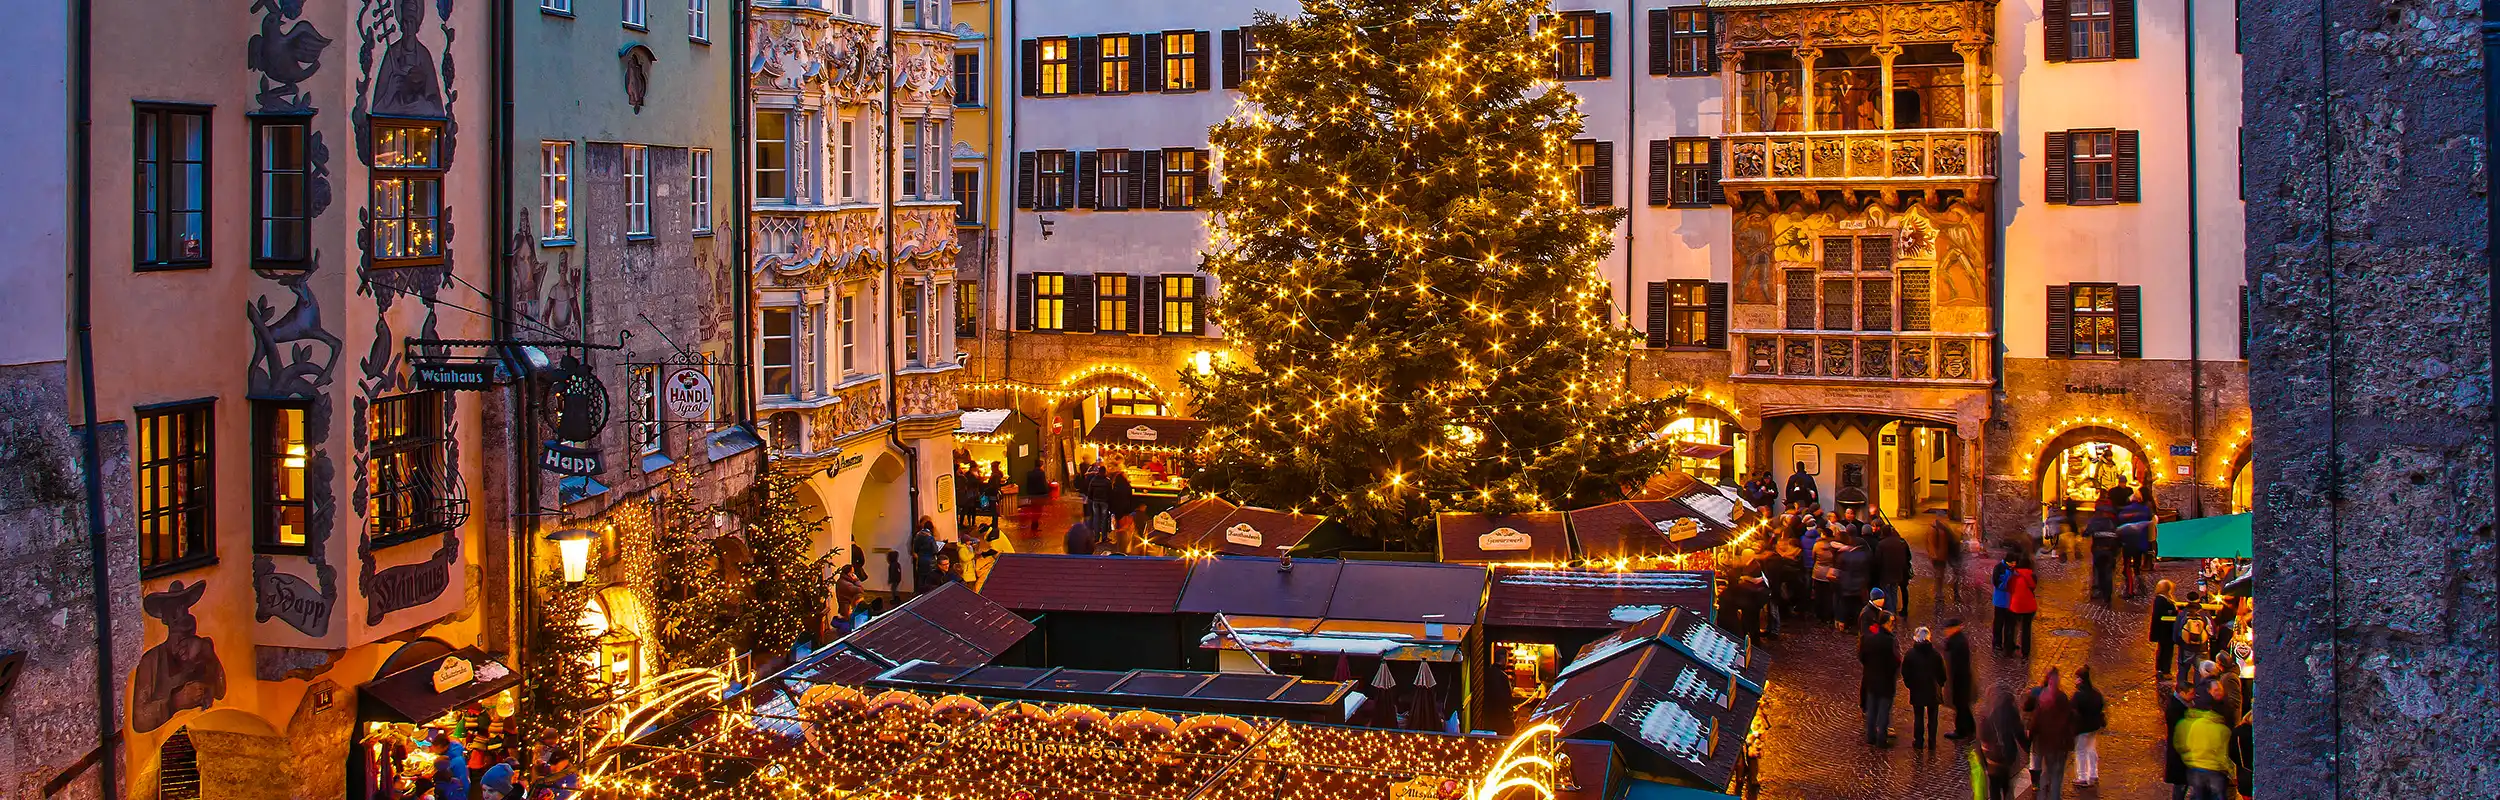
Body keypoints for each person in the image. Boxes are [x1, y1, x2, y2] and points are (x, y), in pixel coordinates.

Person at [2023, 668, 2075, 800]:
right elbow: (2070, 719)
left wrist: (2029, 738)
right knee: (2055, 776)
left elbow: (2034, 721)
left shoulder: (2041, 697)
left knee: (2046, 774)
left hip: (2045, 744)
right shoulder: (2062, 697)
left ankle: (2043, 795)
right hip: (2059, 745)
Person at [2176, 693, 2237, 800]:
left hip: (2196, 768)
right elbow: (2224, 755)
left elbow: (2187, 745)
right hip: (2215, 771)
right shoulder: (2223, 730)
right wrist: (2232, 773)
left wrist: (2189, 760)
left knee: (2199, 796)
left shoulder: (2196, 724)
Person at [1899, 626, 1947, 749]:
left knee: (1918, 716)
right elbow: (1942, 674)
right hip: (1933, 690)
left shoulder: (1910, 654)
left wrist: (1910, 685)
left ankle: (1918, 741)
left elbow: (1905, 672)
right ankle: (1932, 741)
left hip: (1917, 689)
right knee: (1933, 718)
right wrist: (1940, 685)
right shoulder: (1935, 655)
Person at [1857, 614, 1899, 747]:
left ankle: (1870, 737)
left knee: (1872, 709)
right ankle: (1881, 739)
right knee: (1883, 711)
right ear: (1886, 623)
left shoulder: (1868, 638)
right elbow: (1895, 661)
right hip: (1886, 681)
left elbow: (1862, 656)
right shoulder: (1889, 641)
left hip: (1871, 678)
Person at [1977, 690, 2026, 800]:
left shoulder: (1986, 713)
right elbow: (2019, 732)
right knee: (2007, 786)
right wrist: (2027, 747)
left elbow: (1981, 737)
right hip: (2007, 756)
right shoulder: (2011, 711)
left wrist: (1983, 758)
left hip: (1992, 758)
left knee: (1994, 787)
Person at [2071, 666, 2107, 789]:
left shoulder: (2078, 695)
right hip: (2094, 727)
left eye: (2076, 678)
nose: (2075, 680)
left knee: (2081, 751)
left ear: (2080, 680)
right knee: (2091, 748)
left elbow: (2072, 712)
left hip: (2082, 729)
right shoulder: (2096, 694)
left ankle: (2083, 777)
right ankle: (2093, 773)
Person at [1942, 618, 1976, 739]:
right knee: (1963, 705)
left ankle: (1961, 730)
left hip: (1960, 679)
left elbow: (1957, 664)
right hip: (1962, 678)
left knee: (1960, 705)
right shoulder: (1957, 640)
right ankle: (1970, 728)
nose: (1946, 632)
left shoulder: (1958, 643)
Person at [1837, 535, 1874, 632]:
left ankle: (1844, 623)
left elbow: (1840, 567)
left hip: (1846, 583)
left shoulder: (1845, 555)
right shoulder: (1866, 555)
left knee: (1845, 604)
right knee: (1858, 605)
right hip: (1860, 585)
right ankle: (1857, 625)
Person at [1875, 524, 1913, 618]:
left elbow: (1878, 560)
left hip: (1886, 574)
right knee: (1894, 593)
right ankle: (1894, 611)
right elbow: (1908, 556)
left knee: (1887, 594)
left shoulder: (1881, 544)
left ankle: (1890, 613)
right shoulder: (1900, 542)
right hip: (1897, 573)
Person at [2006, 555, 2038, 658]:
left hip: (2015, 605)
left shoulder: (2013, 574)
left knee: (2012, 627)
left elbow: (2009, 587)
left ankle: (2009, 648)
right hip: (2029, 606)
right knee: (2026, 629)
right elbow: (2033, 587)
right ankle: (2025, 652)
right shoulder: (2032, 575)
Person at [1926, 510, 1963, 602]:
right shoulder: (1934, 528)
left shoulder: (1944, 527)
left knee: (1954, 573)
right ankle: (1939, 594)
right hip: (1940, 556)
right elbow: (1930, 543)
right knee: (1939, 575)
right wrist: (1933, 554)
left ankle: (1955, 592)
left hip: (1948, 553)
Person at [2087, 511, 2120, 604]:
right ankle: (2107, 595)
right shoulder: (2113, 522)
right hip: (2109, 551)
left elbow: (2086, 532)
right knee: (2108, 572)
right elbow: (2118, 537)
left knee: (2099, 571)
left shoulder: (2094, 522)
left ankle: (2100, 590)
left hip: (2098, 550)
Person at [1810, 527, 1842, 626]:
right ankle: (1828, 616)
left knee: (1819, 595)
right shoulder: (1834, 546)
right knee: (1829, 596)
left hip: (1818, 572)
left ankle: (1819, 616)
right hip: (1830, 573)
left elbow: (1813, 557)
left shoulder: (1817, 545)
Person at [2151, 580, 2182, 678]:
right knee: (2167, 651)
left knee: (2163, 649)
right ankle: (2165, 671)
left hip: (2164, 630)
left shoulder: (2162, 598)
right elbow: (2164, 613)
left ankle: (2161, 669)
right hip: (2165, 630)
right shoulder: (2161, 600)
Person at [428, 730, 469, 800]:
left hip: (458, 791)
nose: (434, 750)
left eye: (436, 748)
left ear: (443, 747)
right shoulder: (453, 748)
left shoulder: (454, 760)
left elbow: (462, 780)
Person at [1990, 551, 2018, 654]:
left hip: (2011, 602)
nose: (2014, 564)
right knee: (1999, 624)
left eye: (2015, 562)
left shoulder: (2014, 569)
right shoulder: (1999, 568)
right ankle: (1997, 644)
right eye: (2012, 563)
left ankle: (2008, 643)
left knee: (2010, 624)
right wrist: (2009, 578)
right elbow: (1997, 584)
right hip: (2000, 602)